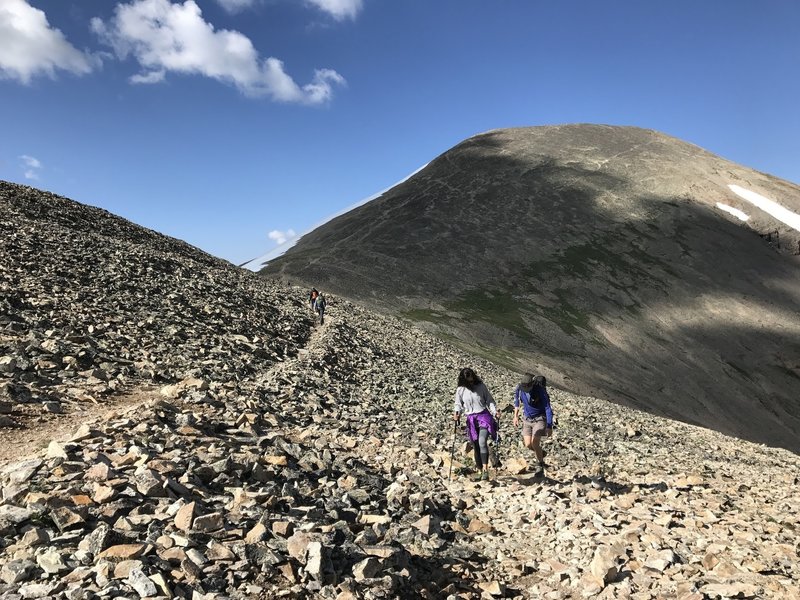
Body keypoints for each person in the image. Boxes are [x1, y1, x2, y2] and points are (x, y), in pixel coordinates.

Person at [453, 367, 498, 481]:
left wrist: (495, 411)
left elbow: (489, 400)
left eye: (472, 379)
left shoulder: (481, 386)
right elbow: (458, 404)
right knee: (476, 445)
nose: (471, 382)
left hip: (483, 417)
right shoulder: (461, 390)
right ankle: (479, 469)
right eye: (468, 380)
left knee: (482, 441)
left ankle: (485, 470)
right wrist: (456, 413)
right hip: (471, 419)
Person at [512, 373, 553, 477]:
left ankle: (539, 465)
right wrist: (515, 416)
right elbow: (517, 401)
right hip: (527, 419)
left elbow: (547, 407)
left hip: (540, 419)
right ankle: (540, 453)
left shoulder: (540, 390)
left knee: (535, 443)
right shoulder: (520, 388)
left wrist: (549, 425)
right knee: (528, 444)